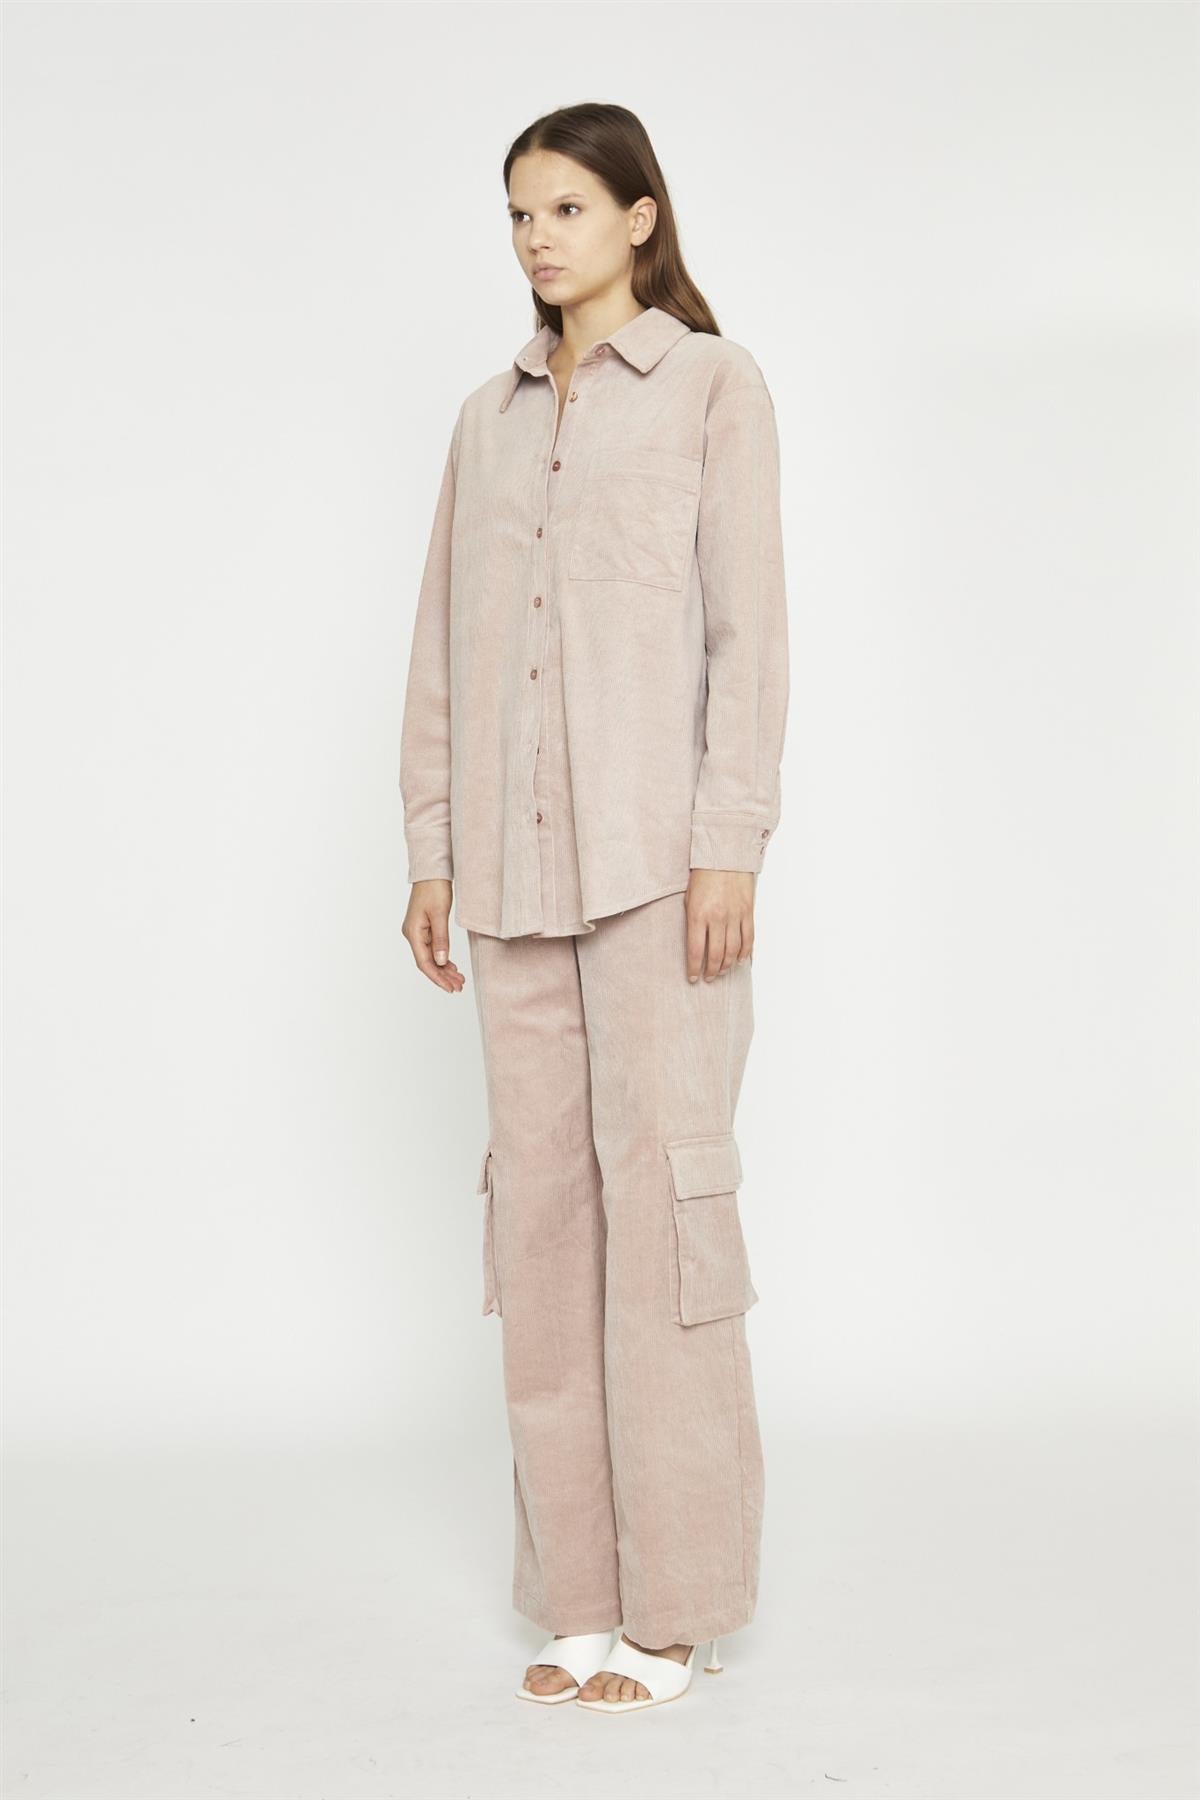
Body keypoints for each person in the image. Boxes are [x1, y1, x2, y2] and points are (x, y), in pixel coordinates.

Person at [398, 102, 789, 1715]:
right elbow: (441, 649)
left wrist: (729, 842)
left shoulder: (713, 387)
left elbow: (747, 634)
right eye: (518, 213)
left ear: (640, 217)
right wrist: (432, 850)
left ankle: (677, 1604)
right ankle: (578, 1593)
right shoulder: (485, 422)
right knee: (542, 1229)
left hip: (655, 875)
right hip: (511, 881)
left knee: (667, 1219)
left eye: (565, 207)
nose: (536, 237)